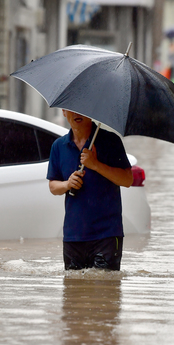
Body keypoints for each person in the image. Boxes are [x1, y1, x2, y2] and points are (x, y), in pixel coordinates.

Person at [47, 110, 133, 271]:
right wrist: (67, 184)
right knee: (74, 292)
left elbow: (127, 180)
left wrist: (95, 165)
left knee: (106, 290)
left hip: (106, 234)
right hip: (73, 235)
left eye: (81, 109)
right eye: (70, 108)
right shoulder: (58, 146)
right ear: (64, 112)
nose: (76, 113)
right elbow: (53, 186)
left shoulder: (110, 141)